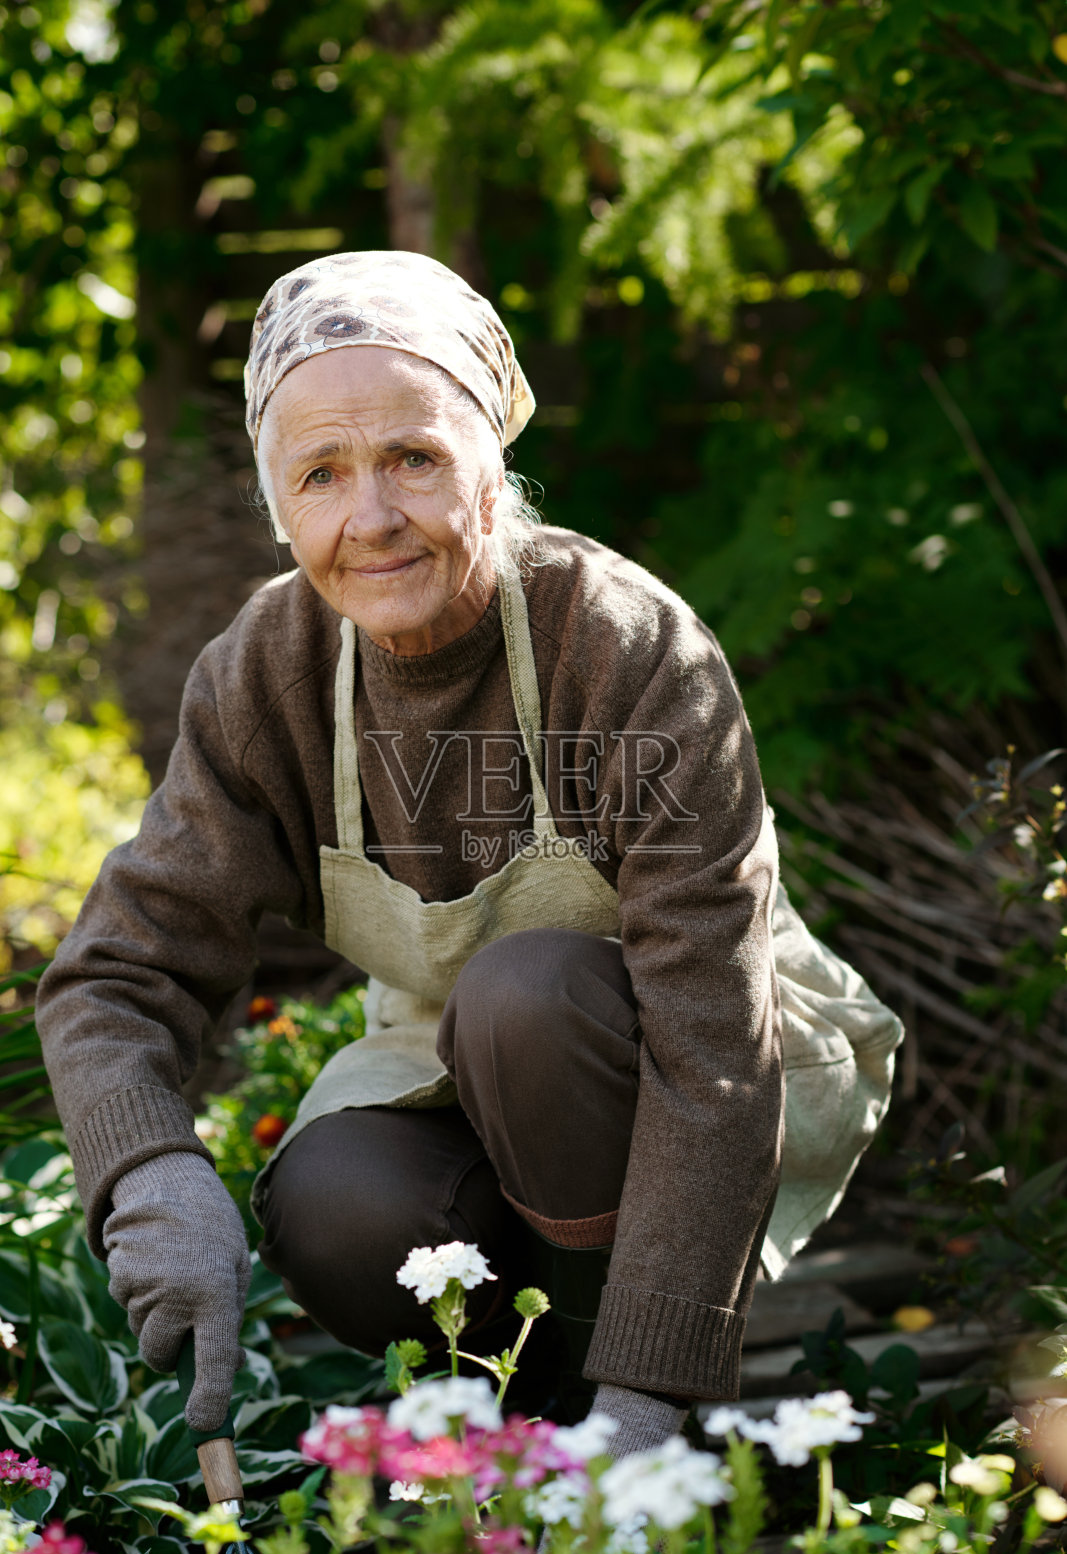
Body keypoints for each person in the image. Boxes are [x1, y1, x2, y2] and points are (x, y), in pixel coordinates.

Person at [36, 251, 900, 1460]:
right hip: (443, 1059)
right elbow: (116, 972)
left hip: (693, 1065)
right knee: (337, 1199)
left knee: (528, 995)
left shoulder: (629, 651)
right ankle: (524, 1431)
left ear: (493, 463)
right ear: (277, 504)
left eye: (414, 459)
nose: (370, 516)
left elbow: (714, 1044)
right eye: (321, 474)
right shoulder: (266, 674)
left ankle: (636, 1416)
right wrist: (151, 1175)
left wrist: (651, 1397)